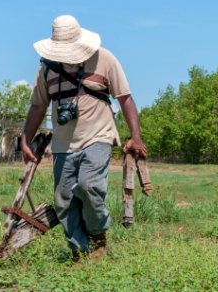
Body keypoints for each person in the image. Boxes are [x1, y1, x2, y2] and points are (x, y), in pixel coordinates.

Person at [21, 15, 147, 262]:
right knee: (64, 199)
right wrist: (25, 139)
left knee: (89, 186)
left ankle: (99, 240)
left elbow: (125, 98)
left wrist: (136, 136)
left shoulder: (105, 59)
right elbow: (37, 107)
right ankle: (79, 250)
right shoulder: (46, 68)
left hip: (98, 136)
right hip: (63, 144)